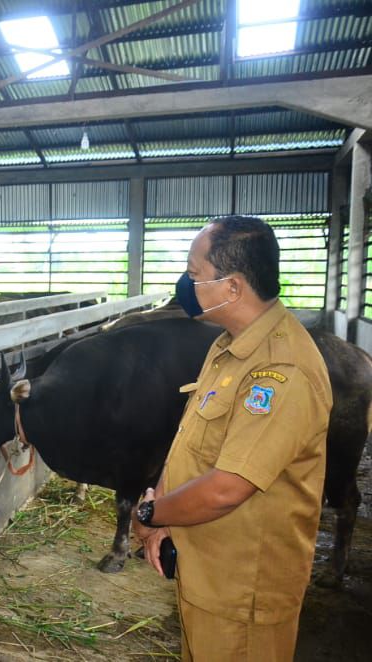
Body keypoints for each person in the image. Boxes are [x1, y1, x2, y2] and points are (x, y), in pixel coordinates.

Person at [131, 215, 332, 661]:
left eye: (195, 274)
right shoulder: (228, 348)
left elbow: (227, 488)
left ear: (233, 287)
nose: (186, 284)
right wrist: (168, 513)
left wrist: (150, 511)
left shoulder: (281, 370)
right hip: (207, 572)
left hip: (243, 593)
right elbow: (189, 439)